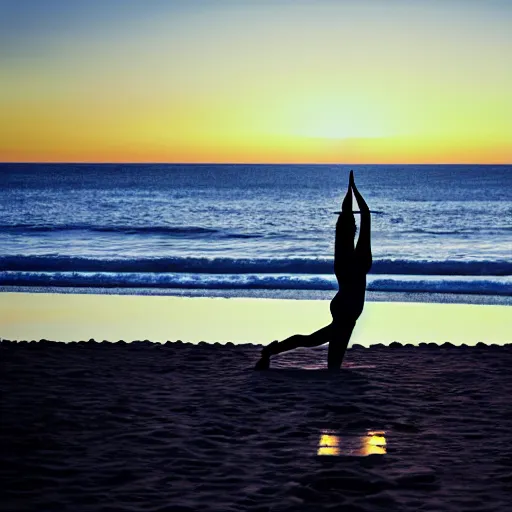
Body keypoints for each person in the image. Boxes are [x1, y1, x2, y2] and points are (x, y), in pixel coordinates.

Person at [255, 170, 372, 370]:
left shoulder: (342, 258)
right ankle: (270, 352)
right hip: (348, 308)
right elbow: (365, 215)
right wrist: (353, 190)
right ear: (352, 230)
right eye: (352, 224)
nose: (354, 224)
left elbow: (354, 216)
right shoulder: (359, 256)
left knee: (314, 343)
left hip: (346, 306)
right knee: (318, 348)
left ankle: (270, 351)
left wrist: (349, 191)